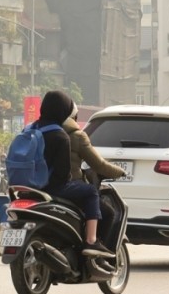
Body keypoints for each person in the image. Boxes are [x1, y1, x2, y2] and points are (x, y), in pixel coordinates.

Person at [36, 89, 115, 258]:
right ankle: (91, 240)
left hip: (29, 186)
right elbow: (64, 173)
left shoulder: (32, 130)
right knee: (91, 192)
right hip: (54, 188)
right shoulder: (62, 135)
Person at [61, 104, 126, 184]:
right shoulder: (77, 136)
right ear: (74, 117)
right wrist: (120, 172)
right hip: (70, 183)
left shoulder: (48, 133)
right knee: (92, 191)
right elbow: (99, 165)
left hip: (50, 184)